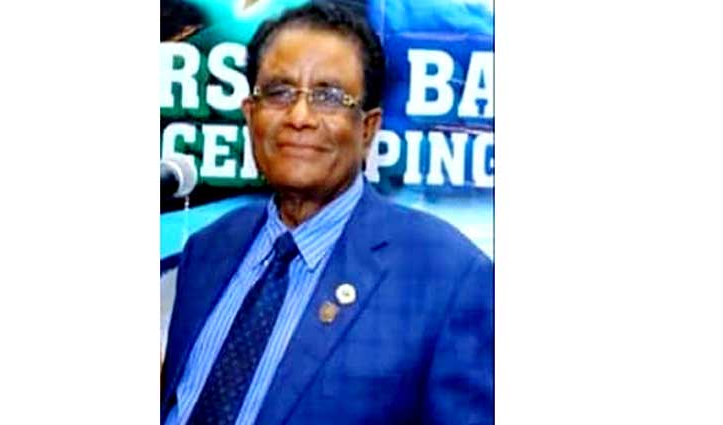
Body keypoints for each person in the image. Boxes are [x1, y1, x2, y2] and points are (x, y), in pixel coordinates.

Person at [161, 2, 493, 424]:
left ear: (368, 128)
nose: (299, 117)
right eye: (279, 92)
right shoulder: (208, 250)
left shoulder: (450, 277)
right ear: (250, 114)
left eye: (330, 96)